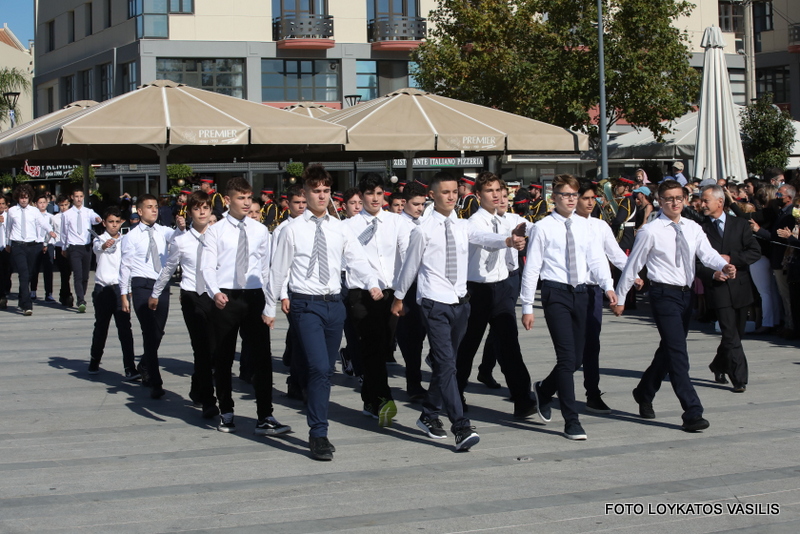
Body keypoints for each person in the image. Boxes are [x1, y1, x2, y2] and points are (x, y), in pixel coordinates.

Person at [392, 172, 524, 451]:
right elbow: (410, 266)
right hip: (434, 302)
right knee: (447, 365)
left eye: (454, 191)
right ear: (432, 195)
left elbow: (484, 237)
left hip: (461, 303)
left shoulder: (463, 225)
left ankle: (429, 414)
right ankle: (460, 426)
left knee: (446, 365)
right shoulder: (422, 229)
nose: (451, 196)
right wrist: (399, 297)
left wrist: (508, 241)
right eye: (445, 192)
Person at [266, 165, 380, 461]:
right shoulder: (291, 229)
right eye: (315, 191)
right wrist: (270, 307)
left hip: (334, 305)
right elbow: (278, 270)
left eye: (326, 191)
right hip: (306, 305)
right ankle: (318, 432)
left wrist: (372, 283)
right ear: (305, 193)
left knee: (326, 370)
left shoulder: (339, 227)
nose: (321, 196)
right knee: (318, 367)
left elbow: (356, 258)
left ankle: (317, 419)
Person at [613, 180, 736, 432]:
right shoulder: (650, 231)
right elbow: (633, 265)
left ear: (685, 200)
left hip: (685, 295)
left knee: (669, 350)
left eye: (679, 198)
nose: (674, 203)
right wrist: (621, 298)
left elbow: (707, 253)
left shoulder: (692, 227)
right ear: (659, 201)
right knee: (678, 353)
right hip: (663, 294)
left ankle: (644, 391)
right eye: (669, 198)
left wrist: (723, 265)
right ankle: (692, 411)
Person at [520, 174, 617, 440]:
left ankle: (544, 389)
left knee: (576, 359)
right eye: (566, 195)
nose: (572, 200)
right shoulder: (543, 227)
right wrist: (527, 306)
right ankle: (571, 420)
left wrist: (608, 286)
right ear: (554, 198)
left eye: (574, 195)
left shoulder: (586, 226)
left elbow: (596, 259)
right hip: (556, 294)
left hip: (582, 293)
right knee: (566, 358)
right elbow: (532, 268)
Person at [201, 177, 290, 436]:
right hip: (226, 296)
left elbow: (266, 268)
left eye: (249, 198)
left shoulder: (260, 230)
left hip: (253, 296)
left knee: (261, 358)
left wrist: (269, 303)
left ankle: (265, 415)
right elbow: (208, 266)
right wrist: (215, 292)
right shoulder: (215, 231)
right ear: (227, 200)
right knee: (224, 356)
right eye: (241, 198)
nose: (246, 202)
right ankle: (226, 411)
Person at [455, 172, 537, 419]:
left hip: (501, 289)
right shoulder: (473, 222)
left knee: (510, 344)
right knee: (467, 346)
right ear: (478, 195)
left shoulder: (507, 219)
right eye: (490, 191)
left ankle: (523, 400)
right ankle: (454, 394)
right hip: (477, 290)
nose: (496, 195)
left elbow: (532, 228)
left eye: (499, 190)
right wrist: (508, 241)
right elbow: (484, 238)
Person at [343, 173, 410, 427]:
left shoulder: (396, 221)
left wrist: (404, 287)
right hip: (362, 294)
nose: (374, 199)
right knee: (371, 344)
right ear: (361, 196)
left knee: (383, 347)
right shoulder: (349, 226)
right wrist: (370, 282)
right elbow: (353, 259)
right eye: (369, 194)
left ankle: (369, 399)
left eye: (379, 193)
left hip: (391, 294)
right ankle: (384, 399)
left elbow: (407, 249)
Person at [148, 191, 219, 416]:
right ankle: (208, 400)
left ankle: (198, 386)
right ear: (189, 213)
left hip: (215, 296)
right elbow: (169, 268)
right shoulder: (181, 241)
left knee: (213, 349)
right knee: (201, 348)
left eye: (205, 208)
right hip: (191, 295)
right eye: (197, 208)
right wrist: (156, 293)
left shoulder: (219, 238)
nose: (202, 212)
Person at [574, 181, 638, 413]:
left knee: (592, 345)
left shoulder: (600, 225)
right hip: (568, 291)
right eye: (586, 198)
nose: (591, 202)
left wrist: (633, 274)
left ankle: (592, 393)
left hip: (593, 290)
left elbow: (615, 253)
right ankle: (548, 387)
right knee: (573, 352)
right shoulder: (564, 224)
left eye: (593, 198)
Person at [697, 185, 761, 393]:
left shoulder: (739, 224)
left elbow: (754, 252)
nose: (702, 204)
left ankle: (718, 365)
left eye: (706, 200)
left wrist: (732, 259)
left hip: (740, 287)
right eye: (701, 200)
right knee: (730, 333)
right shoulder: (699, 229)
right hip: (718, 289)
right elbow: (694, 262)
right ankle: (739, 378)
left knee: (736, 335)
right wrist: (713, 273)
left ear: (720, 202)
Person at [120, 194, 184, 399]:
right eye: (149, 207)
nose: (154, 210)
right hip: (141, 285)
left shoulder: (163, 231)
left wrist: (181, 227)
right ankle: (155, 381)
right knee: (149, 331)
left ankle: (145, 364)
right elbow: (125, 266)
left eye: (156, 206)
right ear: (139, 211)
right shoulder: (131, 236)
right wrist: (124, 294)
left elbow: (179, 238)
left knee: (158, 331)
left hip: (161, 285)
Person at [88, 206, 137, 379]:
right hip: (102, 289)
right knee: (101, 327)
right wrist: (105, 244)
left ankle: (130, 367)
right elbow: (98, 248)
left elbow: (130, 265)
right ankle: (94, 360)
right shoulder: (99, 239)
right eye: (110, 222)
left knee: (125, 329)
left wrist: (129, 289)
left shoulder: (126, 240)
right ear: (104, 223)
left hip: (121, 290)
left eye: (117, 222)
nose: (114, 225)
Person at [395, 182, 429, 401]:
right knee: (411, 338)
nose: (420, 208)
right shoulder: (397, 224)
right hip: (405, 286)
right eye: (416, 204)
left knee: (428, 332)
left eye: (423, 204)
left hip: (425, 284)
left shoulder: (425, 223)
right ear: (404, 202)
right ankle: (413, 383)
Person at [4, 184, 55, 316]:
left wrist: (50, 230)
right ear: (18, 198)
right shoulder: (12, 211)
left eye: (26, 197)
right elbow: (8, 228)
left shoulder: (34, 211)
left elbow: (42, 222)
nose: (24, 200)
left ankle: (22, 299)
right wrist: (8, 243)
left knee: (30, 274)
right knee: (23, 274)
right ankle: (27, 305)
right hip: (17, 245)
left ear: (29, 198)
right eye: (21, 197)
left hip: (32, 246)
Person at [61, 189, 102, 313]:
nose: (79, 199)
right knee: (77, 275)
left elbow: (95, 218)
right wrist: (64, 247)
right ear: (72, 197)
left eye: (80, 196)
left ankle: (81, 294)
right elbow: (64, 232)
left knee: (85, 276)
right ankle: (81, 300)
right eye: (76, 196)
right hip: (74, 247)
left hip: (86, 247)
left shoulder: (88, 212)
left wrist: (98, 218)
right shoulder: (67, 214)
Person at [31, 194, 56, 302]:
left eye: (44, 202)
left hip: (48, 243)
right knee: (34, 268)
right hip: (36, 243)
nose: (42, 205)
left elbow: (52, 231)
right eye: (40, 203)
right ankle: (33, 291)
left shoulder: (51, 217)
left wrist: (47, 244)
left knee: (48, 269)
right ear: (36, 204)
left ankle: (49, 293)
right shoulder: (33, 216)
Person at [51, 195, 74, 306]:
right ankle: (66, 294)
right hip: (59, 246)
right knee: (64, 272)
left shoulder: (72, 216)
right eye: (61, 205)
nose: (64, 207)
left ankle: (65, 293)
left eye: (66, 205)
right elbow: (52, 232)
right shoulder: (55, 218)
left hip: (71, 246)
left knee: (69, 271)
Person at [0, 195, 10, 309]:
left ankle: (5, 291)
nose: (1, 206)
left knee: (6, 272)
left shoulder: (9, 217)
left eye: (3, 204)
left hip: (6, 247)